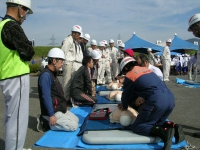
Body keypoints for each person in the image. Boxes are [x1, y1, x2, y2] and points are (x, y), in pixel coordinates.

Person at [118, 57, 185, 150]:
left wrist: (124, 106)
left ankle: (165, 134)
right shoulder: (146, 70)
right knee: (155, 123)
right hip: (170, 98)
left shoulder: (130, 75)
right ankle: (173, 126)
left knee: (138, 126)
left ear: (125, 68)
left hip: (157, 100)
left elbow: (126, 95)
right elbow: (150, 85)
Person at [0, 0, 34, 149]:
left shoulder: (1, 25)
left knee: (11, 118)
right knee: (18, 121)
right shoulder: (12, 26)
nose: (25, 16)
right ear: (20, 8)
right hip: (16, 76)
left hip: (6, 75)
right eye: (26, 11)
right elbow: (28, 52)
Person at [37, 48, 79, 132]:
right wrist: (51, 115)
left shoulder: (52, 74)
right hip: (53, 112)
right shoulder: (46, 76)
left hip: (59, 109)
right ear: (54, 61)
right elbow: (46, 96)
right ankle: (45, 122)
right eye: (61, 61)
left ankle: (52, 119)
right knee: (73, 126)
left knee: (76, 120)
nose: (62, 64)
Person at [61, 25, 82, 101]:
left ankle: (67, 98)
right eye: (78, 34)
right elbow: (63, 52)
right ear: (74, 33)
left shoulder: (72, 41)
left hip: (71, 64)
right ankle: (64, 99)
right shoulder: (68, 41)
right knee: (66, 82)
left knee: (70, 82)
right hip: (67, 63)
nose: (79, 36)